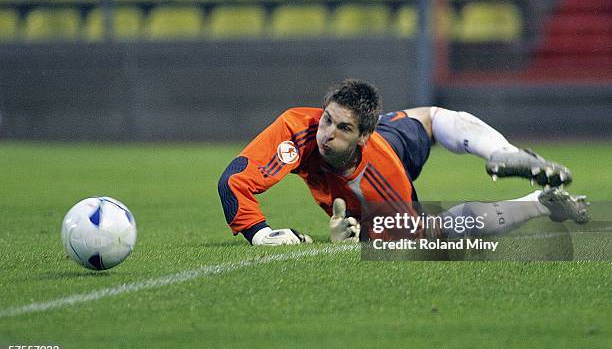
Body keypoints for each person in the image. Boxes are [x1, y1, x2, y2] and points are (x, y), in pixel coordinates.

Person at [218, 79, 589, 245]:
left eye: (342, 128)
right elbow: (233, 181)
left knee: (432, 233)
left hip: (396, 150)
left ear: (362, 136)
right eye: (328, 119)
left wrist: (352, 239)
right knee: (426, 115)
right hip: (372, 153)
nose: (327, 133)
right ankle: (509, 158)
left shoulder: (383, 175)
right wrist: (259, 233)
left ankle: (527, 189)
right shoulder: (299, 127)